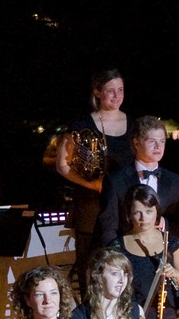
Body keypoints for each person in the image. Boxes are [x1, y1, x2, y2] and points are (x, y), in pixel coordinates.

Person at [54, 68, 133, 242]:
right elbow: (62, 165)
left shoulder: (134, 124)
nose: (117, 96)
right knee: (90, 257)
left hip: (124, 207)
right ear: (97, 92)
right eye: (110, 91)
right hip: (90, 206)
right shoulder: (81, 124)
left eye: (120, 90)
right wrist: (93, 184)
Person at [95, 115, 179, 247]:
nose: (158, 147)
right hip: (127, 252)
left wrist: (164, 223)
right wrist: (117, 255)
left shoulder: (176, 182)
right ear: (136, 143)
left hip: (163, 252)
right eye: (151, 141)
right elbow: (108, 228)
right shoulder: (116, 180)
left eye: (162, 141)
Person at [112, 184, 179, 319]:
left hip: (166, 318)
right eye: (137, 213)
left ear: (157, 211)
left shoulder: (172, 243)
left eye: (149, 211)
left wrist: (176, 274)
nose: (144, 218)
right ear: (129, 214)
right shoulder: (117, 247)